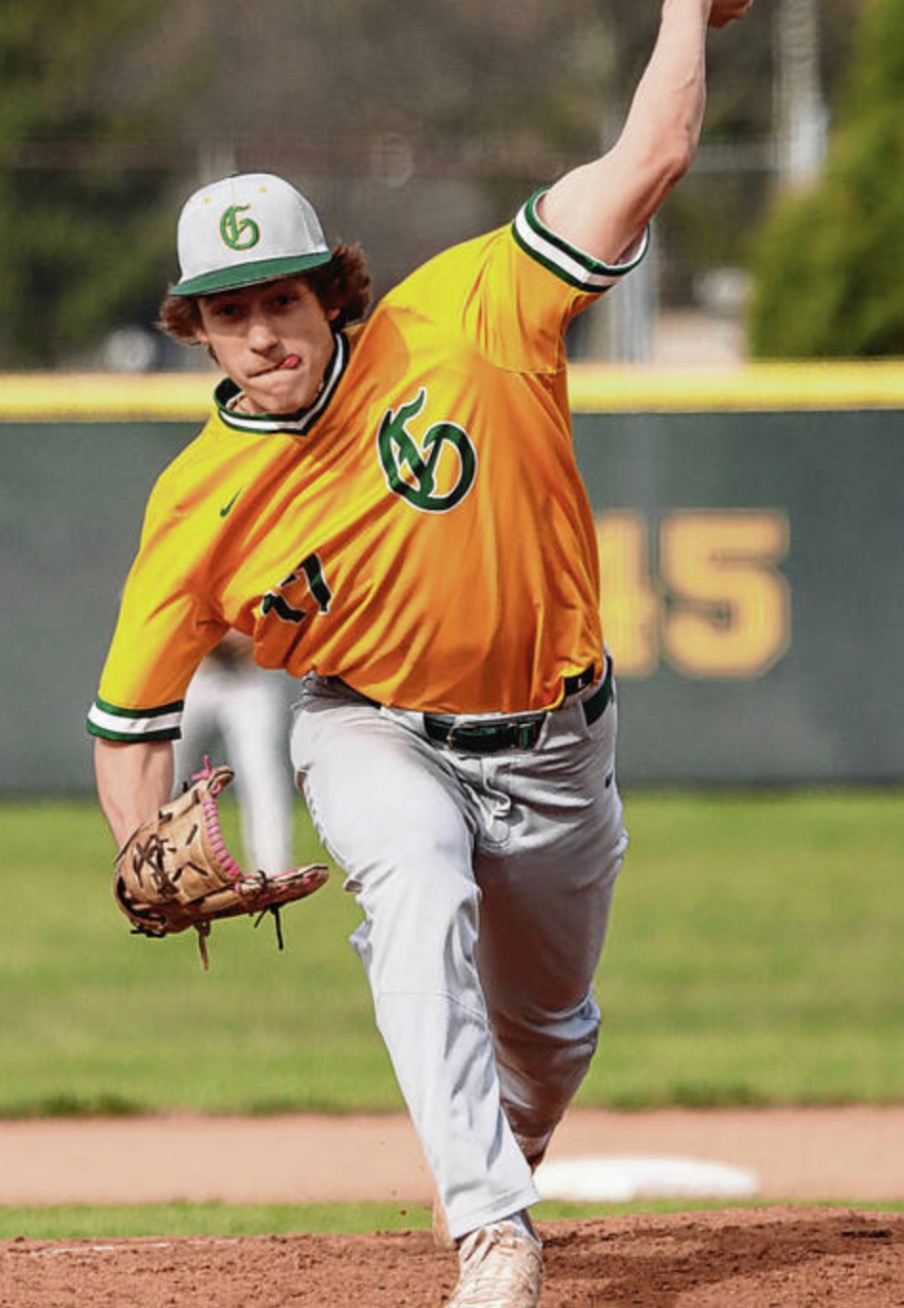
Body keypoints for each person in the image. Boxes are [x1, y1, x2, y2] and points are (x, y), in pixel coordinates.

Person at [88, 2, 755, 1303]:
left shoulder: (471, 312)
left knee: (547, 1043)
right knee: (413, 881)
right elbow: (130, 723)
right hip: (367, 724)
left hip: (556, 742)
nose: (263, 334)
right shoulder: (194, 505)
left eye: (282, 299)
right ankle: (492, 1231)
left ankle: (502, 1149)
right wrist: (138, 844)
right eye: (230, 312)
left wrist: (685, 11)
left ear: (330, 292)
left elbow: (652, 157)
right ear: (197, 330)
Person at [174, 631, 294, 874]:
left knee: (261, 774)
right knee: (167, 772)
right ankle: (149, 860)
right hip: (194, 673)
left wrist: (256, 633)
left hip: (252, 676)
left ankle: (272, 871)